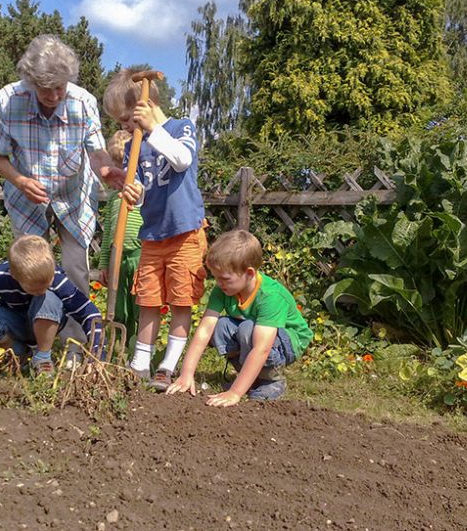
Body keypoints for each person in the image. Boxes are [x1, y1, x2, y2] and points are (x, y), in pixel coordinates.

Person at [0, 34, 124, 358]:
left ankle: (76, 346)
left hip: (74, 196)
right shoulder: (8, 100)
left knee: (76, 266)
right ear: (30, 80)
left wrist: (107, 170)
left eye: (59, 87)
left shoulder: (83, 102)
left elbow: (97, 154)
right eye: (45, 89)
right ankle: (35, 343)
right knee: (31, 269)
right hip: (27, 198)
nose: (53, 95)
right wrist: (20, 181)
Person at [103, 67, 207, 391]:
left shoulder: (180, 128)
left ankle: (167, 365)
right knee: (147, 300)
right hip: (151, 235)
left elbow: (182, 161)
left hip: (185, 232)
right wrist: (133, 193)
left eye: (125, 120)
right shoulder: (135, 146)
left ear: (144, 108)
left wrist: (153, 129)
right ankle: (140, 362)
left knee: (180, 300)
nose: (123, 127)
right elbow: (141, 187)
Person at [166, 230, 313, 407]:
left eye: (224, 278)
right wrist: (186, 374)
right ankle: (249, 378)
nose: (218, 283)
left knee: (247, 329)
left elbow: (262, 349)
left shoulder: (270, 296)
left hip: (288, 342)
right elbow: (205, 330)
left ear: (249, 273)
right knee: (220, 326)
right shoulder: (223, 290)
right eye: (215, 277)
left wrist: (234, 393)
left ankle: (272, 381)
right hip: (256, 334)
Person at [0, 234, 103, 375]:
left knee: (49, 298)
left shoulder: (56, 277)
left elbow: (90, 314)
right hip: (13, 324)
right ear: (15, 276)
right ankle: (16, 352)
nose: (41, 290)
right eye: (35, 289)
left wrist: (97, 353)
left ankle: (42, 358)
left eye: (47, 284)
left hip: (46, 320)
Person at [97, 129, 143, 346]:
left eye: (126, 164)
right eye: (117, 163)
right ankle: (120, 348)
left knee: (140, 305)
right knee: (119, 305)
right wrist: (104, 263)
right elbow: (108, 234)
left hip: (140, 256)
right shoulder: (114, 196)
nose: (122, 171)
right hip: (118, 258)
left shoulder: (142, 193)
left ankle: (139, 348)